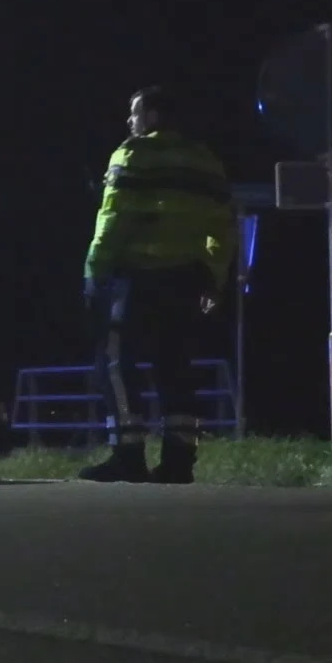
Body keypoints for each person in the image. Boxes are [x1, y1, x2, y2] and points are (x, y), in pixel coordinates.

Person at [79, 85, 236, 484]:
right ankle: (179, 460)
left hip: (134, 277)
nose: (129, 122)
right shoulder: (206, 163)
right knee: (176, 367)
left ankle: (127, 454)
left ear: (151, 117)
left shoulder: (133, 155)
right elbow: (223, 227)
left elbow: (112, 221)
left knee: (114, 363)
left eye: (134, 113)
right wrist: (213, 277)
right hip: (185, 276)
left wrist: (94, 272)